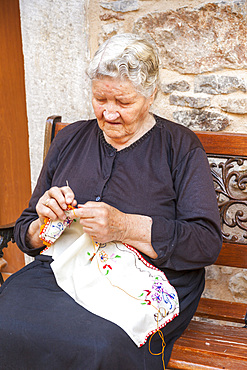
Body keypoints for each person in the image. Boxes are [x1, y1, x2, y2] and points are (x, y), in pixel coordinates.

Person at [0, 33, 222, 369]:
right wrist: (43, 224)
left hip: (146, 282)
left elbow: (205, 243)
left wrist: (123, 226)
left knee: (98, 345)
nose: (110, 113)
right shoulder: (71, 139)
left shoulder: (179, 147)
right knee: (6, 321)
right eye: (100, 99)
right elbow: (25, 233)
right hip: (61, 272)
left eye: (123, 102)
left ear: (151, 96)